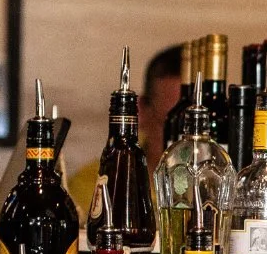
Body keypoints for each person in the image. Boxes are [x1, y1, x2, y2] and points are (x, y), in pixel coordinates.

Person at [68, 42, 183, 218]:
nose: (188, 141)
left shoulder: (227, 187)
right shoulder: (96, 185)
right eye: (173, 124)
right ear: (141, 111)